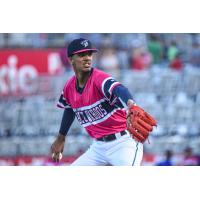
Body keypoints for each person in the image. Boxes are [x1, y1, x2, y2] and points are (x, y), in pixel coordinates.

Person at [51, 38, 155, 166]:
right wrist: (61, 137)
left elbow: (119, 89)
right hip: (98, 147)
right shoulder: (69, 87)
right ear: (71, 59)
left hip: (123, 144)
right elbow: (69, 108)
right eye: (81, 55)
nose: (87, 58)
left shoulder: (99, 79)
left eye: (89, 54)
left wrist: (130, 104)